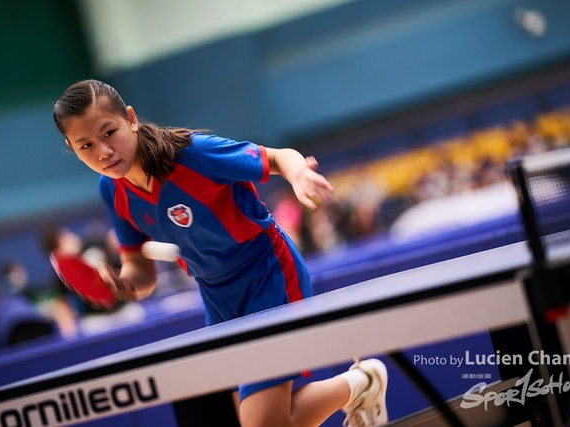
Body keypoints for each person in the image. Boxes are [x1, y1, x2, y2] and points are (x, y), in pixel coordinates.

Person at [52, 79, 388, 427]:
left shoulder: (193, 154)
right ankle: (362, 384)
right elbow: (141, 272)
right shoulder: (112, 191)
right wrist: (121, 287)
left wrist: (298, 171)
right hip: (216, 297)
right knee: (266, 422)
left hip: (267, 272)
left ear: (131, 119)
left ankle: (362, 383)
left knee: (262, 424)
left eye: (109, 132)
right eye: (86, 145)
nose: (103, 151)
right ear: (73, 149)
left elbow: (275, 158)